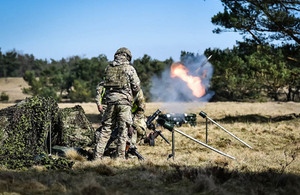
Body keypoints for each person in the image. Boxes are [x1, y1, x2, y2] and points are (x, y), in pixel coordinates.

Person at [94, 47, 141, 159]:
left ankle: (96, 157)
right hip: (124, 104)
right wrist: (131, 96)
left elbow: (100, 86)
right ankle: (119, 159)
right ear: (128, 57)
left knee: (106, 130)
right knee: (122, 131)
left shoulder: (108, 68)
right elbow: (136, 86)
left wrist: (99, 102)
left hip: (110, 103)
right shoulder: (129, 68)